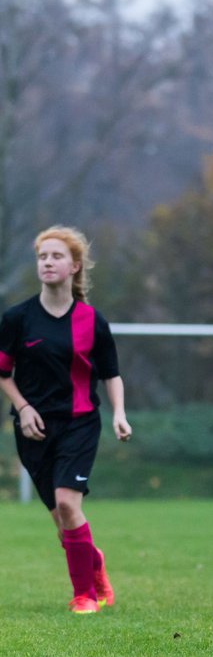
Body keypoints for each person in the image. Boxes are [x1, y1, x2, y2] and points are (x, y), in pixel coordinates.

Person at [0, 226, 131, 614]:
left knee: (68, 505)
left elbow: (111, 374)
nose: (47, 262)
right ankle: (94, 562)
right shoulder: (17, 319)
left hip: (80, 423)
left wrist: (119, 414)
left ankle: (85, 596)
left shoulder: (93, 321)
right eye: (42, 256)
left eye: (56, 256)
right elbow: (3, 373)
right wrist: (23, 409)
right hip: (34, 430)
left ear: (74, 266)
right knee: (62, 520)